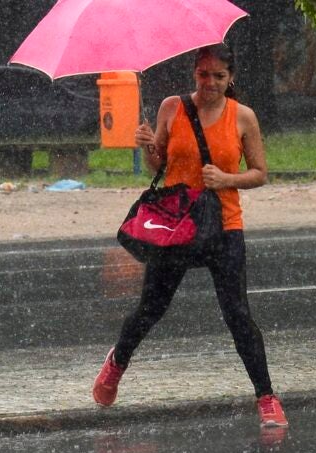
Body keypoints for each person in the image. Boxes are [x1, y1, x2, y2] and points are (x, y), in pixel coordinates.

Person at [92, 44, 287, 429]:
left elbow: (260, 172)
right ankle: (117, 362)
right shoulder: (171, 107)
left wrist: (228, 179)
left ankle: (266, 397)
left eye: (218, 76)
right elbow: (159, 165)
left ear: (231, 78)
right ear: (194, 74)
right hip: (177, 225)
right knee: (152, 308)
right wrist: (148, 147)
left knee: (238, 315)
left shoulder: (243, 117)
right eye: (204, 74)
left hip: (223, 226)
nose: (210, 82)